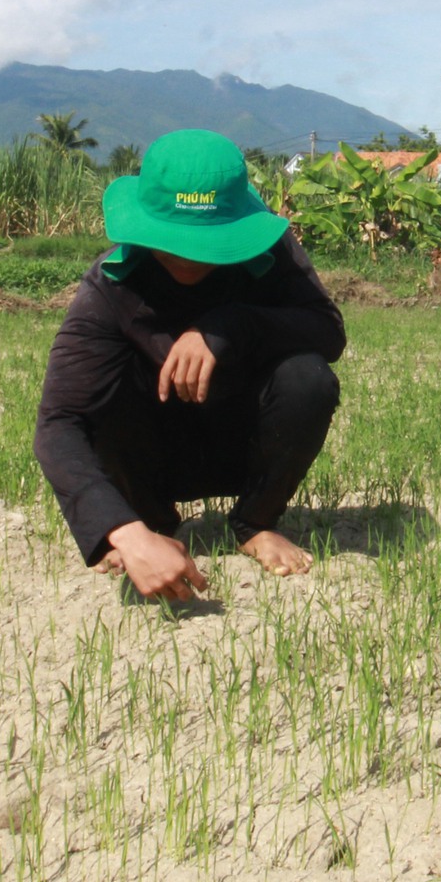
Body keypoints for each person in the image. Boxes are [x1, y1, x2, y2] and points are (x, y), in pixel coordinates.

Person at [33, 128, 344, 601]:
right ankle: (152, 527)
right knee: (99, 396)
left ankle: (255, 522)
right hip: (151, 457)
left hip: (246, 442)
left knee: (309, 378)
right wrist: (122, 529)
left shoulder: (273, 257)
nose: (186, 255)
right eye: (174, 239)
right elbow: (59, 423)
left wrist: (228, 326)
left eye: (207, 240)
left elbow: (327, 332)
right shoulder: (110, 286)